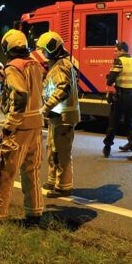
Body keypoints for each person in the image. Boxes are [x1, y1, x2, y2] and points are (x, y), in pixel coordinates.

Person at [0, 30, 43, 224]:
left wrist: (10, 125)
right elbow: (32, 89)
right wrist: (4, 78)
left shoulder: (13, 66)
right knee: (31, 171)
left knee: (5, 172)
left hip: (21, 127)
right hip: (36, 125)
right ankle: (34, 212)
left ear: (7, 46)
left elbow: (20, 96)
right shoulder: (34, 63)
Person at [36, 31, 80, 197]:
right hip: (57, 116)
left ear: (52, 48)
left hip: (64, 117)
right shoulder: (58, 64)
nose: (43, 53)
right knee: (53, 150)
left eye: (44, 50)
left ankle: (64, 187)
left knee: (62, 153)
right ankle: (54, 181)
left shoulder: (61, 65)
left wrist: (46, 107)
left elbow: (63, 89)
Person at [102, 42, 132, 162]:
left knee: (113, 124)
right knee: (130, 125)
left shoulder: (119, 61)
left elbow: (110, 81)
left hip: (121, 97)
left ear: (122, 51)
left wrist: (110, 77)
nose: (115, 53)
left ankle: (107, 148)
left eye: (116, 51)